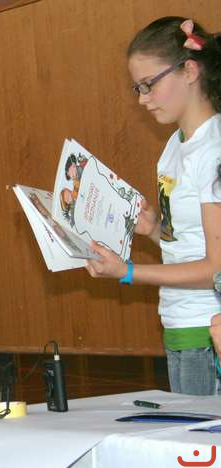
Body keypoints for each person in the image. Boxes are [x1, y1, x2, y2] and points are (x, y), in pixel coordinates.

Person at [86, 17, 221, 395]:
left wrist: (128, 271)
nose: (142, 99)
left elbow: (216, 269)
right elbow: (188, 243)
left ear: (189, 71)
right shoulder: (175, 147)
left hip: (207, 327)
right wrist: (155, 230)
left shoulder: (213, 151)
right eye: (138, 88)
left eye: (149, 85)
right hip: (179, 325)